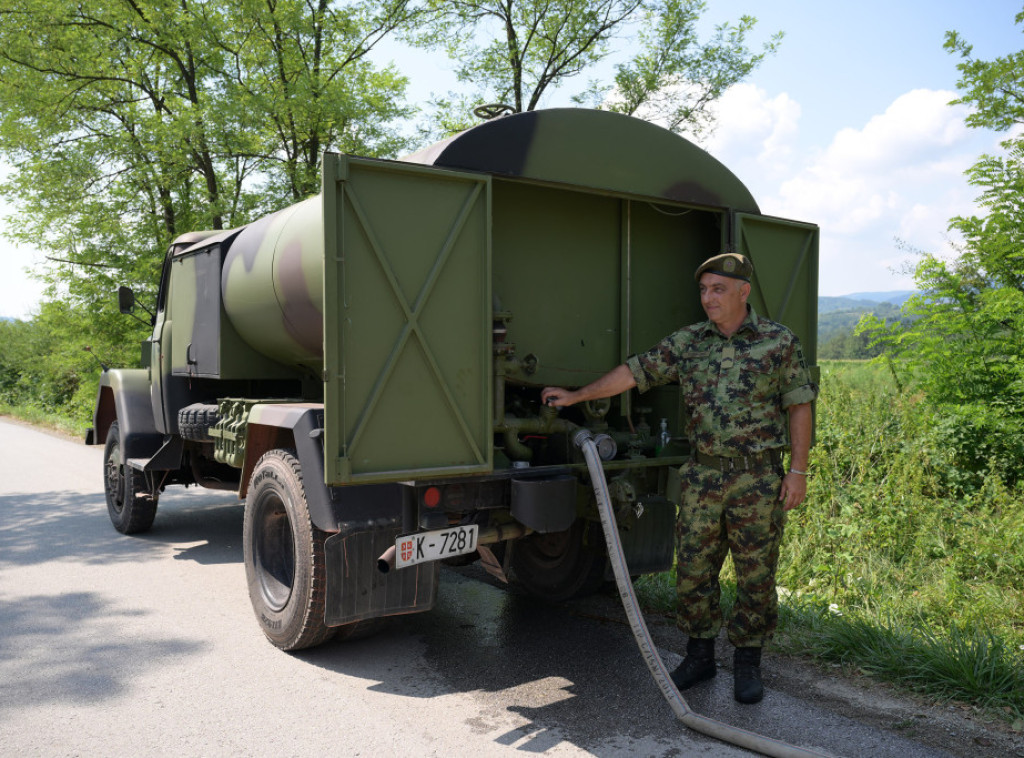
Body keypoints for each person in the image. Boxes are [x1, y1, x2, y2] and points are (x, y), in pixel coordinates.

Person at [541, 252, 817, 704]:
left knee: (756, 574)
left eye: (718, 290)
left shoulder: (778, 342)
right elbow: (635, 372)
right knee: (692, 571)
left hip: (757, 480)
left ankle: (748, 661)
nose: (708, 298)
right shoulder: (689, 342)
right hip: (703, 478)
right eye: (704, 290)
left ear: (743, 293)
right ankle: (699, 655)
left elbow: (799, 406)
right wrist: (577, 396)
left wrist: (798, 471)